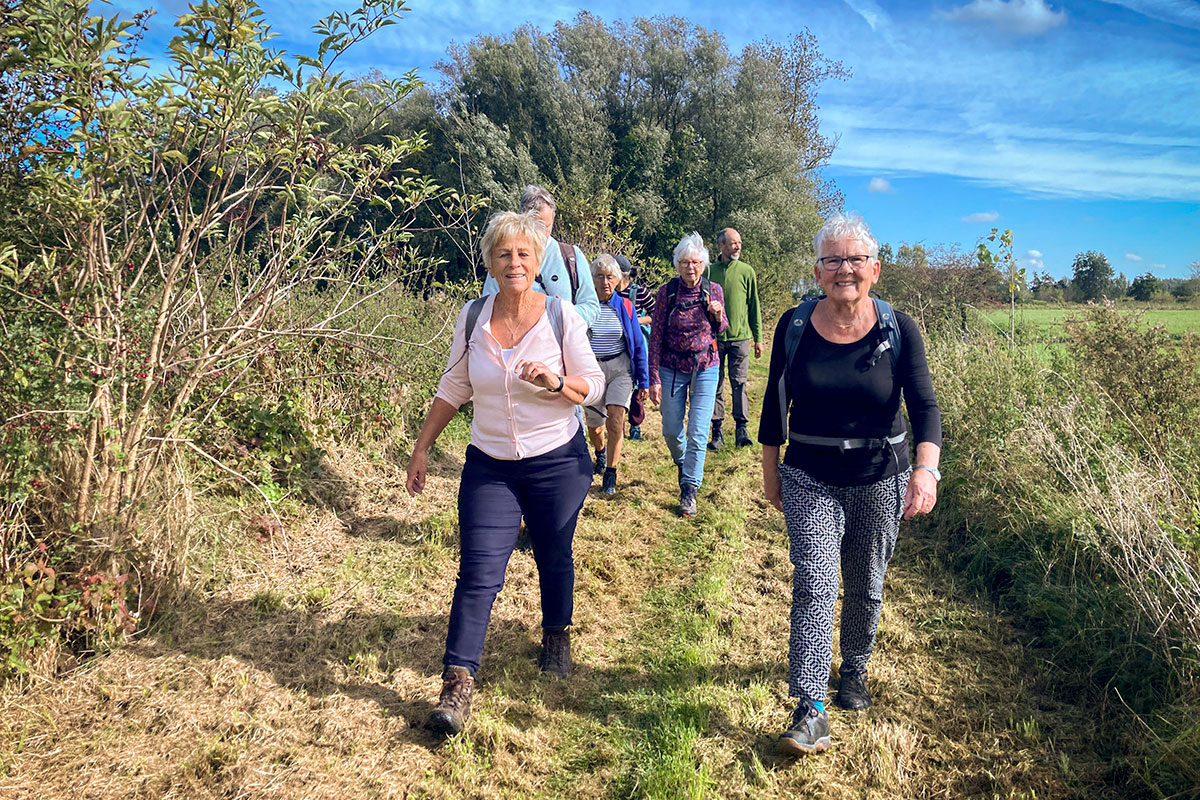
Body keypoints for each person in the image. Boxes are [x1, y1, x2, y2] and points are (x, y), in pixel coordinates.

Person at [406, 211, 604, 737]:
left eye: (523, 254)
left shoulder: (562, 316)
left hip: (557, 459)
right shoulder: (472, 317)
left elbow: (595, 384)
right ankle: (457, 682)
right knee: (477, 570)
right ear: (490, 262)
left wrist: (557, 381)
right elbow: (454, 387)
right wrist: (422, 447)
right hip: (489, 463)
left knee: (553, 554)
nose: (513, 263)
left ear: (538, 262)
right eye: (503, 254)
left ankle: (556, 635)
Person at [758, 212, 942, 756]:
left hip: (881, 477)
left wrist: (925, 470)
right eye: (833, 260)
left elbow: (925, 406)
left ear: (875, 269)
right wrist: (771, 473)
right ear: (817, 272)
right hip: (810, 475)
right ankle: (810, 708)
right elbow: (774, 404)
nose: (845, 269)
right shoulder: (793, 325)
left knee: (865, 579)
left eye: (855, 259)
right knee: (814, 581)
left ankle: (855, 668)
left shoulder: (898, 329)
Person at [648, 233, 729, 517]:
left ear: (703, 264)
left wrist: (717, 314)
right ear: (677, 264)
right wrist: (653, 377)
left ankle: (689, 488)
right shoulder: (666, 292)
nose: (690, 268)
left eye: (695, 262)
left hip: (706, 366)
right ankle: (683, 462)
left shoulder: (713, 290)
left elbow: (722, 330)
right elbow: (655, 335)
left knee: (697, 431)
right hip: (671, 367)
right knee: (671, 430)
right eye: (684, 262)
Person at [482, 185, 600, 328]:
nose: (541, 234)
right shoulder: (505, 262)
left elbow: (592, 308)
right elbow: (487, 308)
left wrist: (561, 315)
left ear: (554, 217)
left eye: (547, 226)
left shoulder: (572, 256)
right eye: (535, 227)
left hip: (561, 345)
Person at [584, 255, 649, 495]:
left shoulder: (626, 307)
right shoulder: (583, 306)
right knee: (595, 427)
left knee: (615, 419)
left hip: (620, 368)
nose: (605, 282)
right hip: (591, 370)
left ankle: (611, 473)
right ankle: (600, 453)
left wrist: (644, 380)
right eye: (599, 277)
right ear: (592, 280)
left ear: (619, 279)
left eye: (610, 277)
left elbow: (638, 345)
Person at [707, 227, 762, 450]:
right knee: (715, 384)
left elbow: (754, 306)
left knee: (739, 383)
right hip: (715, 338)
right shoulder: (708, 272)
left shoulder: (747, 271)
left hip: (740, 338)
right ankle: (717, 432)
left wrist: (758, 337)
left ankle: (742, 429)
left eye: (739, 242)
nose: (737, 246)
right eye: (733, 243)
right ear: (721, 246)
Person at [616, 254, 655, 442]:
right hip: (615, 344)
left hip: (637, 344)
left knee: (637, 385)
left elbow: (656, 315)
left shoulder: (639, 292)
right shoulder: (605, 293)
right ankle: (617, 425)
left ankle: (636, 426)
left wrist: (635, 321)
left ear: (622, 274)